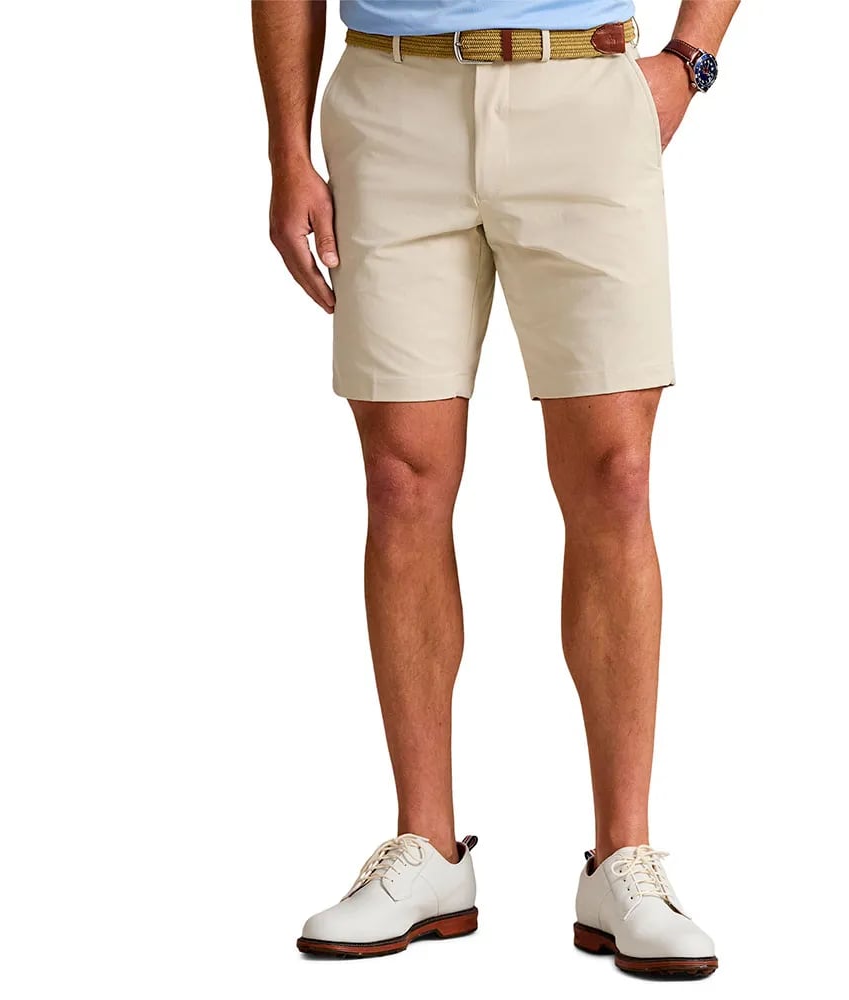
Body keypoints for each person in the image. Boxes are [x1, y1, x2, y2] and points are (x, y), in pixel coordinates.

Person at [252, 0, 738, 978]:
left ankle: (624, 858)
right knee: (401, 479)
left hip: (585, 92)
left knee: (615, 476)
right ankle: (427, 849)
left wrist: (691, 60)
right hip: (393, 99)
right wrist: (286, 152)